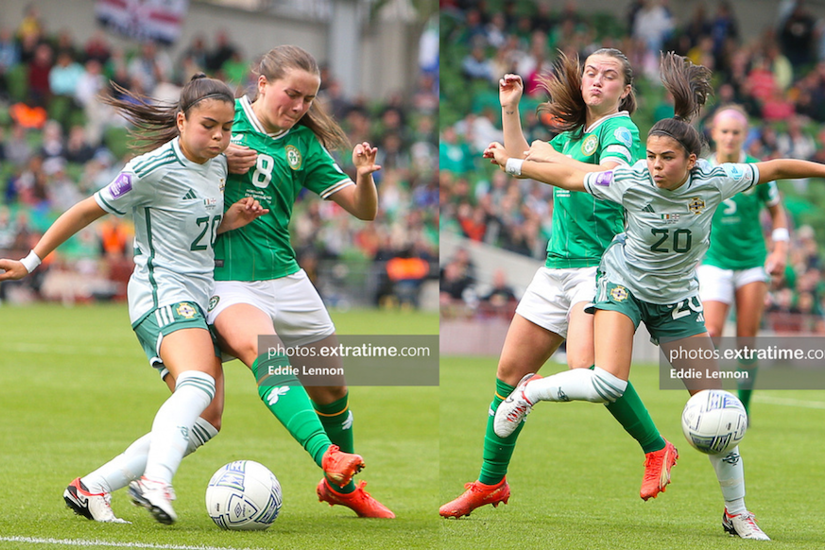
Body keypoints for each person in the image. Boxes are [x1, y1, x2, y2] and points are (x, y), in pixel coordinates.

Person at [486, 52, 825, 540]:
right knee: (606, 382)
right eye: (651, 156)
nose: (656, 166)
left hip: (676, 298)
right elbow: (568, 177)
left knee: (717, 406)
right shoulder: (630, 180)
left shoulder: (716, 180)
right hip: (622, 285)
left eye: (667, 158)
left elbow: (773, 169)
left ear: (692, 160)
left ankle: (737, 513)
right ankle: (529, 391)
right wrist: (515, 164)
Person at [0, 74, 274, 524]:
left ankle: (91, 488)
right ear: (182, 121)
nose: (220, 137)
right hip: (160, 292)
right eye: (210, 126)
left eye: (227, 128)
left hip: (198, 294)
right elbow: (87, 209)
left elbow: (192, 230)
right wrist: (31, 262)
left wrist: (231, 219)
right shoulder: (150, 169)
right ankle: (156, 482)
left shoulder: (219, 163)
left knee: (206, 420)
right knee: (198, 384)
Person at [440, 48, 676, 519]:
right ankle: (490, 483)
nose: (597, 81)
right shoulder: (573, 134)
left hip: (599, 265)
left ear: (624, 91)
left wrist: (532, 162)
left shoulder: (619, 129)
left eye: (610, 77)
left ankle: (656, 448)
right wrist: (510, 109)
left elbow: (604, 177)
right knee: (507, 376)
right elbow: (522, 155)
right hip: (555, 267)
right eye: (591, 72)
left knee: (591, 368)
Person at [207, 45, 394, 518]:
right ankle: (329, 459)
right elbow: (176, 151)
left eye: (309, 100)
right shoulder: (223, 123)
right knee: (266, 356)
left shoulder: (304, 146)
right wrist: (213, 152)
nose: (299, 107)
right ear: (262, 83)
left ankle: (344, 487)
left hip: (286, 277)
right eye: (292, 94)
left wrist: (365, 177)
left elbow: (364, 211)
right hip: (226, 279)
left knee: (330, 387)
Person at [697, 106, 789, 418]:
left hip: (751, 262)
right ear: (714, 133)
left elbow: (777, 212)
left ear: (744, 135)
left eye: (736, 132)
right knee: (711, 330)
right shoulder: (702, 171)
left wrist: (779, 251)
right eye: (725, 131)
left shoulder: (757, 171)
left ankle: (743, 411)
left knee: (746, 339)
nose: (730, 137)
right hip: (714, 260)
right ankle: (710, 405)